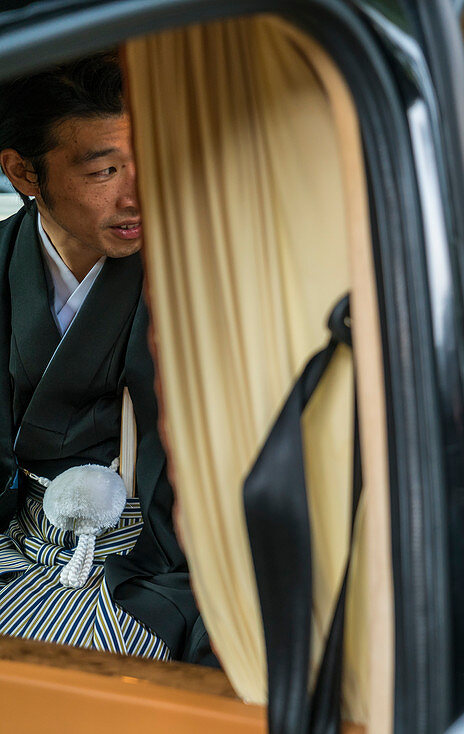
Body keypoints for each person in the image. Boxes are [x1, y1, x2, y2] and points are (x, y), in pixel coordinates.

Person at [0, 52, 211, 664]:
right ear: (23, 172)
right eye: (105, 170)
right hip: (18, 536)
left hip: (155, 556)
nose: (137, 194)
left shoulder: (196, 275)